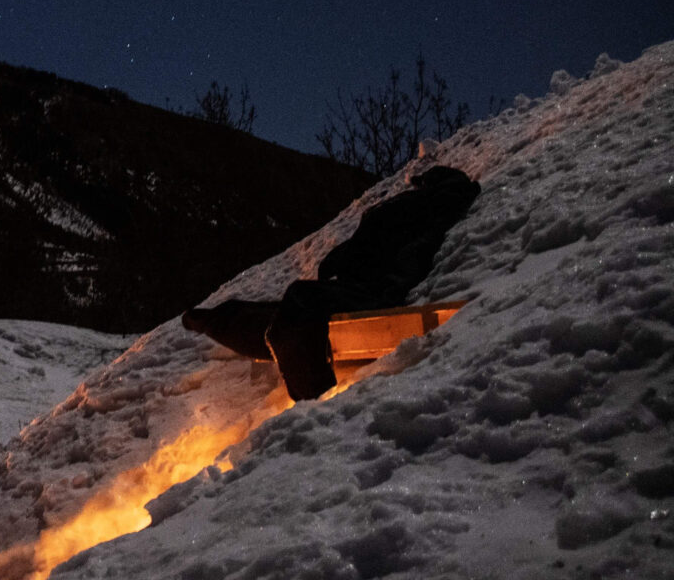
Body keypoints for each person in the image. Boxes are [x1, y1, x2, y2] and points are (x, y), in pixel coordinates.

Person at [182, 150, 481, 401]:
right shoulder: (409, 209)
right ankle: (216, 318)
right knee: (274, 310)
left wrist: (393, 281)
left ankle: (314, 401)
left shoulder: (427, 208)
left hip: (373, 288)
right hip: (355, 281)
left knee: (299, 301)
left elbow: (416, 248)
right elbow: (364, 245)